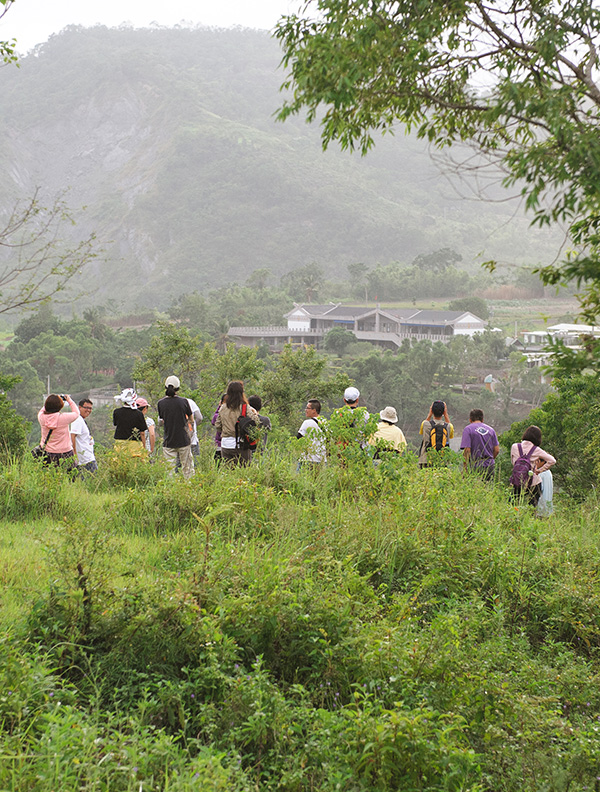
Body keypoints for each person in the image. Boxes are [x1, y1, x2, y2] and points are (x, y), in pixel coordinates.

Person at [157, 375, 194, 479]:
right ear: (178, 388)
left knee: (169, 470)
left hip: (168, 440)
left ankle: (171, 490)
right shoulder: (184, 401)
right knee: (187, 468)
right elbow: (192, 419)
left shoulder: (161, 403)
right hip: (183, 439)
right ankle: (189, 489)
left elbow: (161, 420)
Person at [510, 425, 556, 507]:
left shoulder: (515, 446)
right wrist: (539, 470)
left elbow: (513, 462)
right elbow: (552, 460)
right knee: (531, 507)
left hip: (517, 481)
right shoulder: (537, 450)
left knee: (512, 504)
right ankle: (530, 517)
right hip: (533, 482)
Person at [215, 380, 259, 466]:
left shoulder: (223, 407)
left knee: (228, 471)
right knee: (244, 471)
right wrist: (255, 413)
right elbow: (256, 422)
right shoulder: (245, 407)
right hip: (241, 444)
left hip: (226, 444)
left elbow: (218, 426)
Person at [37, 393, 80, 470]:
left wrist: (49, 403)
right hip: (65, 453)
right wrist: (69, 400)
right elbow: (77, 413)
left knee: (49, 477)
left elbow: (43, 410)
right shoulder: (63, 418)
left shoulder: (41, 417)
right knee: (70, 477)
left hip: (47, 452)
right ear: (60, 406)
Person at [460, 408, 499, 480]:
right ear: (482, 419)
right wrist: (489, 460)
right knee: (488, 488)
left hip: (475, 465)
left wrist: (465, 468)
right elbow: (496, 450)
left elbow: (467, 450)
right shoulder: (491, 430)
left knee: (475, 488)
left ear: (470, 420)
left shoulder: (468, 429)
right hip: (489, 465)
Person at [113, 388, 148, 458]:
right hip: (135, 444)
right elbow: (142, 433)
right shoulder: (138, 414)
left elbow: (116, 424)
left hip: (120, 443)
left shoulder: (117, 412)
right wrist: (144, 447)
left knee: (120, 463)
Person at [418, 400, 454, 468]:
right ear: (443, 412)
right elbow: (451, 432)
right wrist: (445, 414)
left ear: (432, 410)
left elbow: (422, 432)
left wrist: (430, 413)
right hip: (442, 460)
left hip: (426, 460)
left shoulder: (425, 424)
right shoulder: (449, 426)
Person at [296, 398, 326, 467]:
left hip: (308, 459)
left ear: (314, 410)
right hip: (321, 460)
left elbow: (298, 438)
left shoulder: (307, 423)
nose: (306, 410)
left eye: (307, 408)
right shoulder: (325, 423)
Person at [70, 398, 97, 473]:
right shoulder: (77, 420)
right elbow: (72, 435)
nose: (88, 410)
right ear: (80, 407)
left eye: (90, 408)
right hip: (85, 459)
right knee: (94, 479)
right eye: (86, 408)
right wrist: (74, 453)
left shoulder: (81, 420)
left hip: (87, 457)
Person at [211, 393, 226, 461]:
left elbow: (213, 421)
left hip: (220, 443)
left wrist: (219, 407)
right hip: (231, 444)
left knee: (218, 463)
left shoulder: (219, 415)